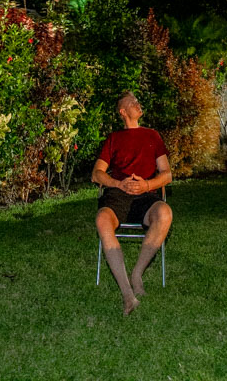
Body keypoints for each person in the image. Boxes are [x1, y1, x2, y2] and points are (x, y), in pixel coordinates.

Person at [92, 91, 173, 315]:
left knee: (165, 213)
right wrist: (118, 184)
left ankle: (137, 273)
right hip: (118, 194)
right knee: (102, 219)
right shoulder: (114, 139)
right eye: (133, 102)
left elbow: (167, 175)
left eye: (138, 101)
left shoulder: (152, 136)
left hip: (146, 195)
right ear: (123, 111)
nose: (138, 104)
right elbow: (97, 174)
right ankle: (128, 294)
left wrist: (146, 185)